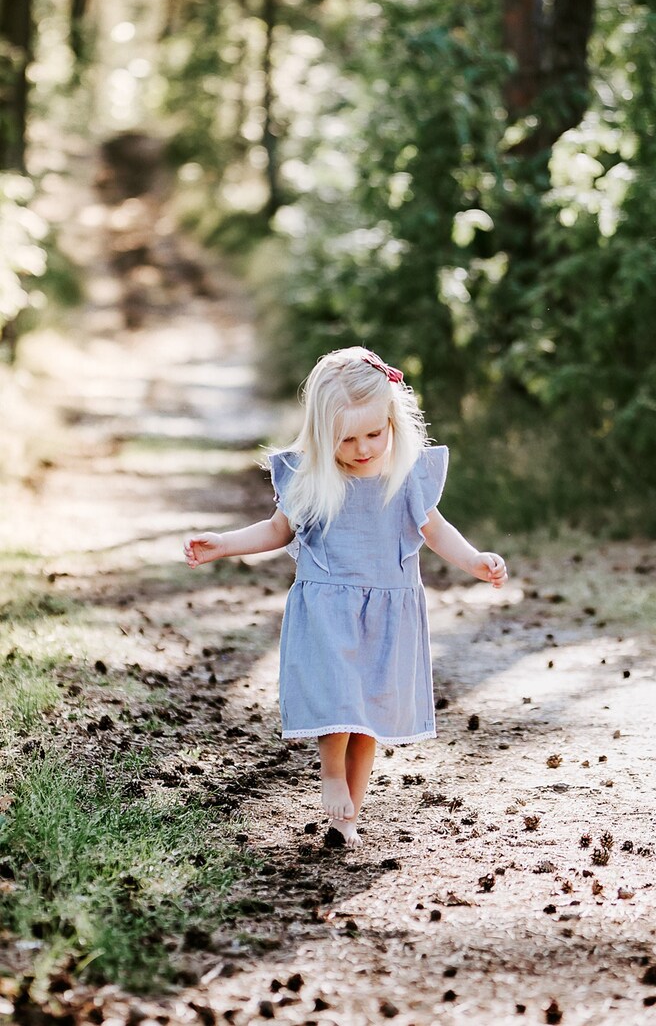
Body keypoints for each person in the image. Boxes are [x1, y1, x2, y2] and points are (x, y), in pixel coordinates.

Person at [183, 346, 507, 847]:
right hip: (329, 609)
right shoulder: (313, 478)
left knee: (369, 715)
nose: (362, 448)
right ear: (321, 434)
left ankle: (348, 816)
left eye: (374, 434)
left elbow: (437, 531)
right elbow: (276, 531)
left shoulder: (407, 475)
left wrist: (474, 560)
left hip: (388, 610)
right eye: (346, 438)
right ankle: (330, 774)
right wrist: (222, 545)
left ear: (392, 421)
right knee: (339, 696)